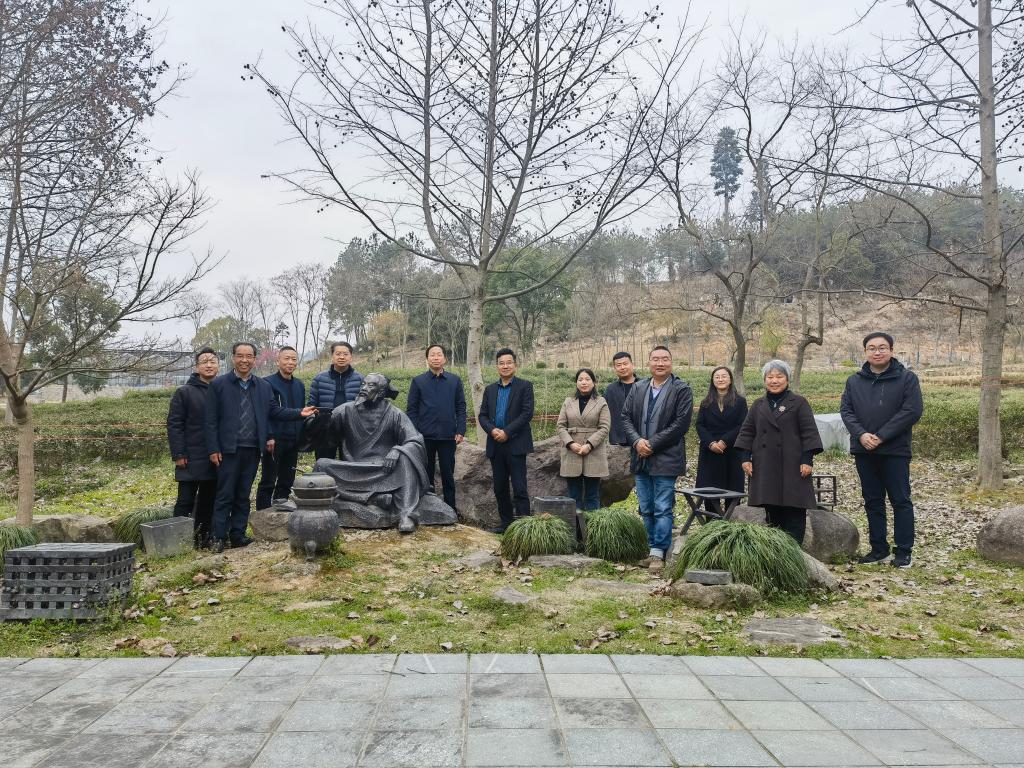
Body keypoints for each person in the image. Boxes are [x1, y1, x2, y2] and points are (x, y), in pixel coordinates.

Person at [206, 342, 316, 552]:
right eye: (240, 356)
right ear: (233, 358)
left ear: (255, 359)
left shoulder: (262, 386)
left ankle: (237, 534)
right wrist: (213, 448)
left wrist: (298, 413)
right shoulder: (219, 385)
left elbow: (274, 411)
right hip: (228, 449)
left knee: (243, 493)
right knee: (225, 493)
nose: (244, 360)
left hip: (253, 448)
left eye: (249, 356)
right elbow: (210, 420)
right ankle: (218, 536)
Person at [318, 373, 446, 533]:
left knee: (406, 457)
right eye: (363, 384)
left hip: (384, 470)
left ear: (381, 392)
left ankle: (406, 514)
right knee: (321, 465)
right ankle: (375, 498)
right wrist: (317, 423)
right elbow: (324, 437)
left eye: (370, 385)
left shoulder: (395, 414)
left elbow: (415, 441)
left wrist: (398, 449)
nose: (364, 388)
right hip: (354, 469)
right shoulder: (344, 410)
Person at [840, 332, 924, 568]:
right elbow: (846, 411)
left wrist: (882, 436)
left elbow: (912, 411)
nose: (877, 352)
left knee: (901, 500)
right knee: (872, 500)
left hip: (895, 450)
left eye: (882, 347)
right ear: (865, 352)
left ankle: (903, 551)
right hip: (864, 449)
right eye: (872, 348)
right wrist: (862, 434)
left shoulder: (907, 379)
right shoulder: (854, 381)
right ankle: (879, 549)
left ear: (891, 351)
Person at [620, 346, 693, 573]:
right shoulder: (638, 387)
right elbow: (625, 417)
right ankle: (651, 547)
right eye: (655, 359)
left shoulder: (681, 389)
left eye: (664, 359)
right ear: (649, 362)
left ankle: (659, 551)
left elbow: (681, 424)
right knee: (646, 506)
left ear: (671, 362)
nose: (660, 363)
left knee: (662, 506)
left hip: (666, 457)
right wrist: (636, 441)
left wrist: (652, 444)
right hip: (640, 456)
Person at [735, 359, 823, 544]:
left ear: (787, 379)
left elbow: (809, 433)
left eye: (779, 376)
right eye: (770, 377)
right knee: (772, 512)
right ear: (764, 380)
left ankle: (794, 552)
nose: (774, 381)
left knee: (794, 511)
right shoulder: (758, 404)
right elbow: (747, 432)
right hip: (765, 465)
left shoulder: (799, 403)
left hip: (793, 465)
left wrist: (807, 459)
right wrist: (745, 458)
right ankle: (777, 552)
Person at [167, 347, 220, 547]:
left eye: (213, 361)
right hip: (189, 455)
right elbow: (174, 424)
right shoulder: (184, 392)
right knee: (185, 500)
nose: (209, 365)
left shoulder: (221, 390)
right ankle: (176, 541)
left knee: (208, 500)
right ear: (197, 367)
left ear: (218, 366)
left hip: (214, 455)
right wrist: (179, 453)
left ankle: (202, 538)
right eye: (204, 362)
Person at [478, 348, 535, 533]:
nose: (505, 366)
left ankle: (524, 527)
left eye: (509, 362)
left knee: (519, 487)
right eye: (501, 363)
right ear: (497, 366)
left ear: (515, 365)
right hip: (495, 444)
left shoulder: (525, 386)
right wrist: (492, 430)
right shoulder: (490, 389)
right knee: (500, 488)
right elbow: (482, 415)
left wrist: (507, 432)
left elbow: (527, 413)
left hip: (516, 444)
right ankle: (506, 525)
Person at [406, 344, 467, 512]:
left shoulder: (454, 380)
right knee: (426, 475)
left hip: (448, 436)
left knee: (448, 474)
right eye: (432, 355)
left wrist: (460, 430)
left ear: (444, 358)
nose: (435, 358)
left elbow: (461, 407)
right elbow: (412, 410)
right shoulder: (418, 381)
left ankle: (450, 510)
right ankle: (428, 510)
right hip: (424, 436)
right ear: (427, 359)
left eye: (439, 354)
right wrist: (415, 432)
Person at [255, 346, 306, 510]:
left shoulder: (299, 385)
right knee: (269, 478)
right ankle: (262, 511)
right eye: (286, 358)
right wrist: (269, 435)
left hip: (293, 438)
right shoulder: (267, 383)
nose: (290, 362)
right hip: (275, 439)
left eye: (293, 359)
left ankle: (281, 506)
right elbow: (265, 412)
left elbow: (301, 412)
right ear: (278, 361)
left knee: (287, 478)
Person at [556, 368, 611, 510]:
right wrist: (570, 443)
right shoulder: (568, 401)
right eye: (580, 379)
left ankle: (592, 524)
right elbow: (560, 426)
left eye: (587, 379)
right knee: (573, 496)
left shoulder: (601, 402)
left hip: (594, 452)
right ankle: (575, 524)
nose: (584, 382)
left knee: (592, 495)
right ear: (576, 383)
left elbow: (604, 427)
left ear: (594, 382)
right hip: (571, 452)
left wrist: (589, 445)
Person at [694, 366, 748, 503]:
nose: (720, 379)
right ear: (713, 381)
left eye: (724, 376)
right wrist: (711, 443)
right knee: (710, 494)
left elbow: (742, 425)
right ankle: (712, 518)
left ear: (730, 379)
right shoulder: (705, 403)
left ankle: (731, 517)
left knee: (732, 494)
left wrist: (725, 441)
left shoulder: (740, 402)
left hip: (732, 450)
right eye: (717, 377)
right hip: (710, 452)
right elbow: (700, 425)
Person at [308, 341, 364, 460]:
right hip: (325, 428)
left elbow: (365, 406)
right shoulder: (319, 379)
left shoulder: (360, 379)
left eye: (345, 354)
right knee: (324, 462)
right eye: (338, 354)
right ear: (332, 356)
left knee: (350, 464)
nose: (342, 357)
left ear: (351, 357)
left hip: (351, 428)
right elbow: (311, 405)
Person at [604, 351, 637, 446]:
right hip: (618, 440)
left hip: (642, 439)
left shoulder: (644, 385)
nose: (622, 367)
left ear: (632, 365)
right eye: (618, 365)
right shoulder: (610, 389)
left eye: (625, 364)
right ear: (614, 368)